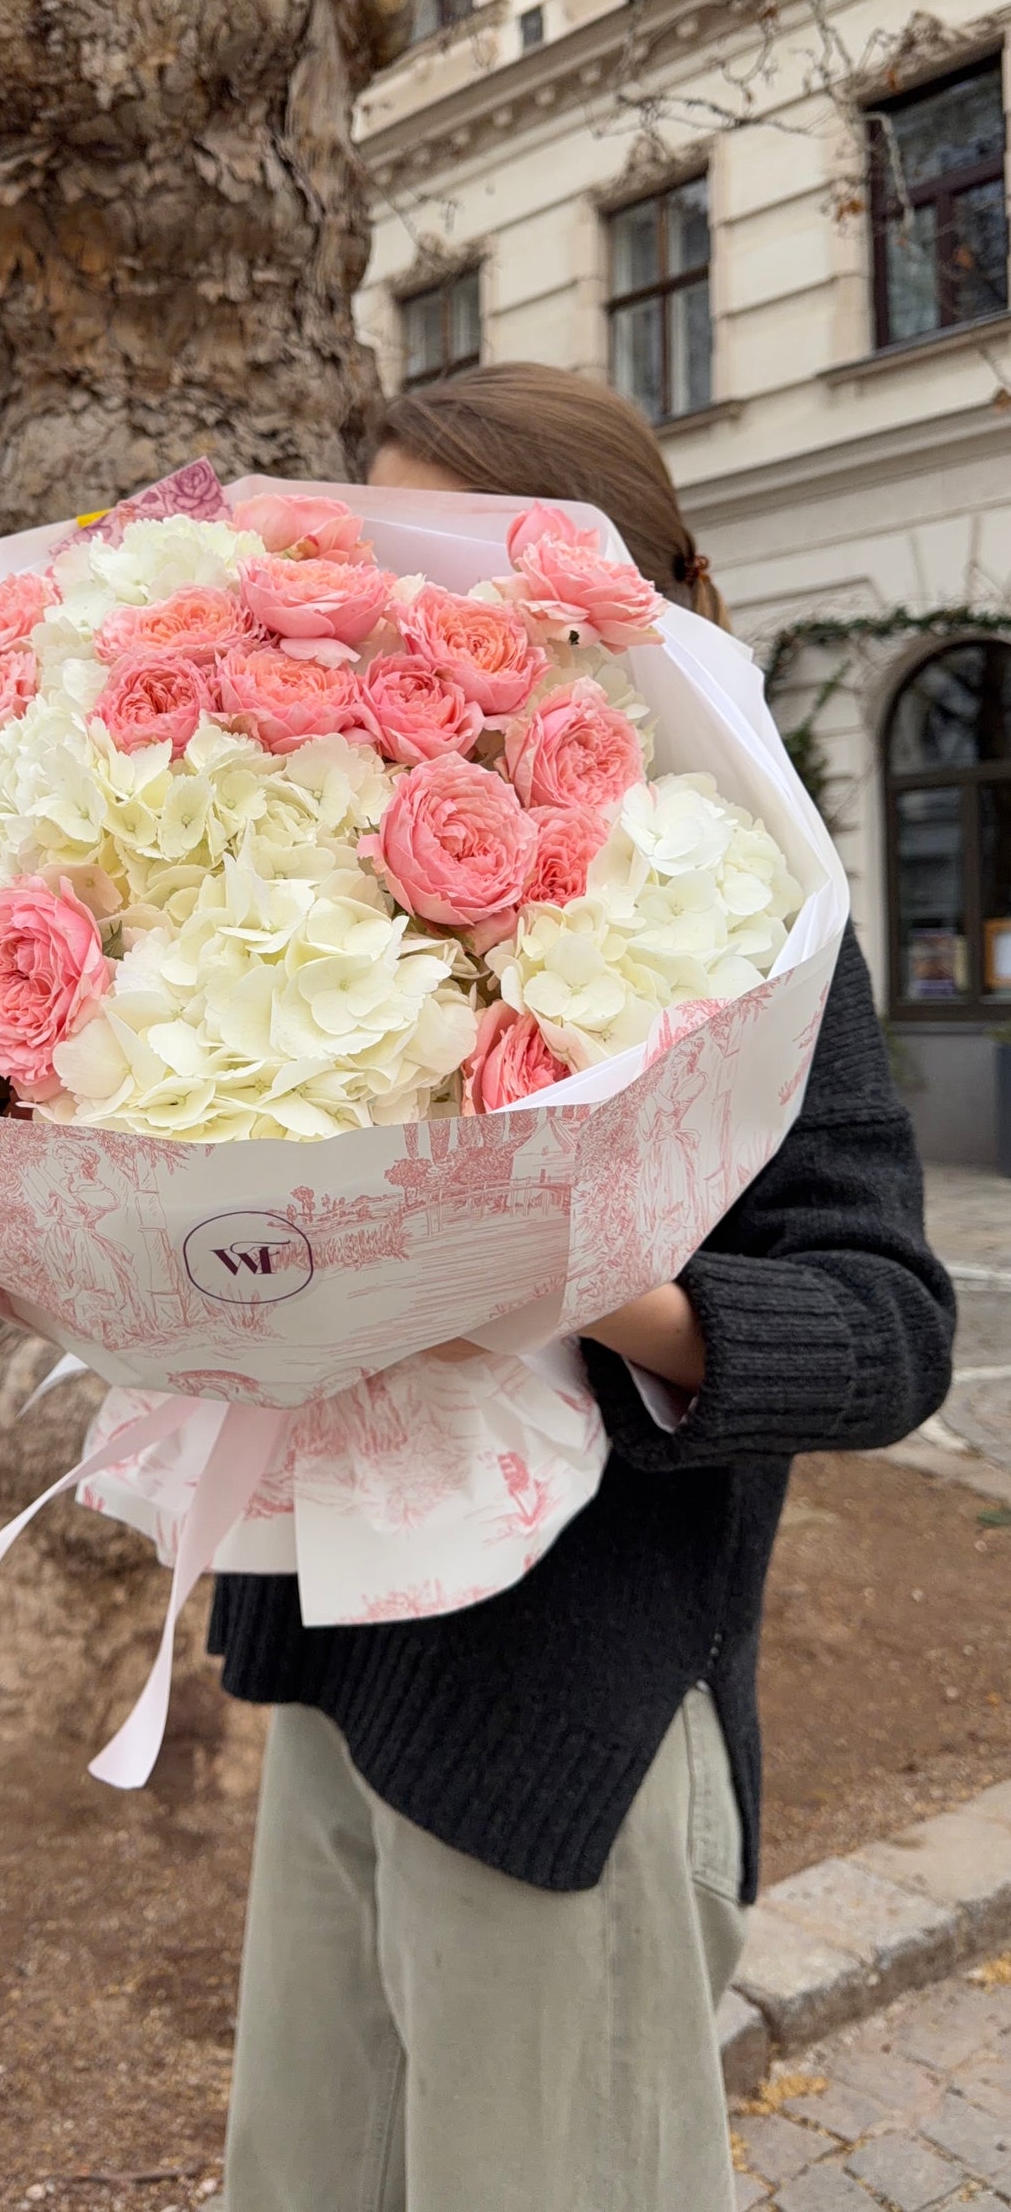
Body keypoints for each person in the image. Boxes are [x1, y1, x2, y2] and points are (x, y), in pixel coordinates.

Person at [207, 362, 956, 2212]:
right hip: (338, 1665)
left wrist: (599, 1282)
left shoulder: (745, 895)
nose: (410, 610)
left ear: (594, 585)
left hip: (577, 1735)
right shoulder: (319, 842)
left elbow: (889, 1322)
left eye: (457, 562)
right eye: (378, 561)